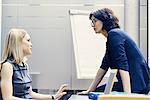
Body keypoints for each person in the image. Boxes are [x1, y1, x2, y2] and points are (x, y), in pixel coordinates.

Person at [78, 8, 150, 95]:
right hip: (134, 83)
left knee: (100, 94)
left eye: (95, 21)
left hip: (138, 84)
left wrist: (128, 95)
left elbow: (123, 64)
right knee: (95, 93)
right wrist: (90, 90)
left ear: (104, 20)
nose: (92, 25)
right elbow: (104, 66)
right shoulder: (112, 37)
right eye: (92, 22)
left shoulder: (114, 34)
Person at [0, 28, 68, 100]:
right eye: (28, 40)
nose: (31, 44)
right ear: (18, 43)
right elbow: (7, 98)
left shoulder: (25, 65)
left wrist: (53, 97)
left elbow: (30, 93)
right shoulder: (7, 66)